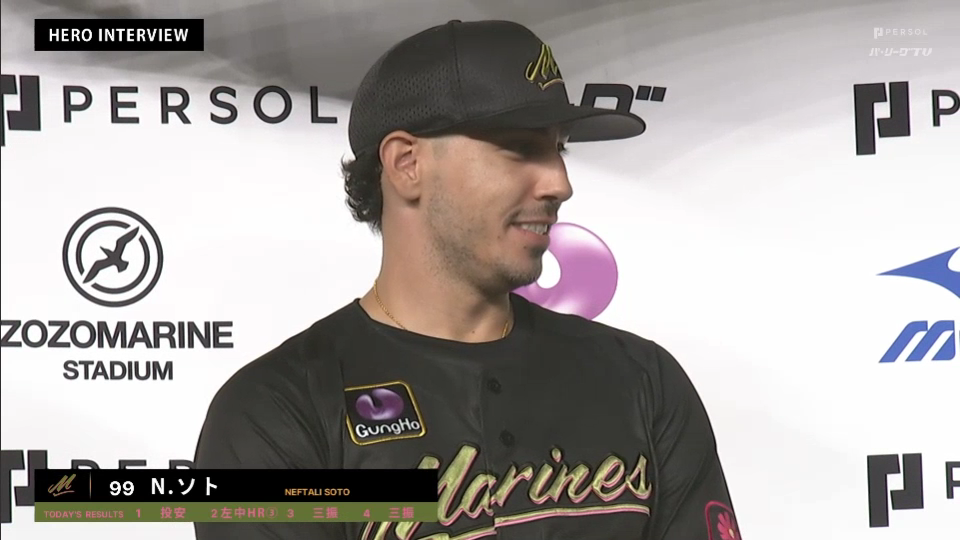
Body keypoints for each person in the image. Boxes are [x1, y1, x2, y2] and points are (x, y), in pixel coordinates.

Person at [194, 19, 742, 540]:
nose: (560, 183)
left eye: (558, 149)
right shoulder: (276, 410)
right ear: (407, 164)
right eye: (520, 148)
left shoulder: (643, 381)